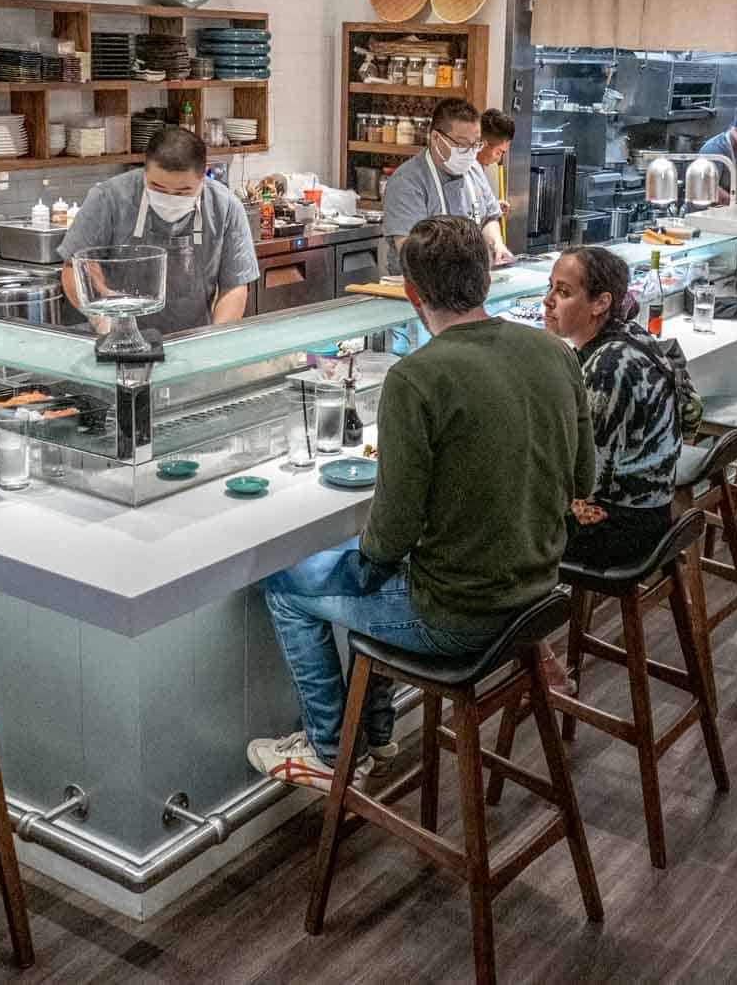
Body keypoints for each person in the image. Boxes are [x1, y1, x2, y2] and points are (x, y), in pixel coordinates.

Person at [247, 216, 593, 789]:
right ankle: (378, 734)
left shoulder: (417, 377)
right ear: (485, 277)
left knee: (287, 585)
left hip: (458, 618)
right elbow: (583, 476)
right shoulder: (554, 352)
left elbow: (393, 532)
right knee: (369, 570)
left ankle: (333, 752)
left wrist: (366, 562)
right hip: (537, 594)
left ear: (411, 293)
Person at [542, 247, 683, 566]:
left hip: (623, 527)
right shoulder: (630, 334)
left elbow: (585, 478)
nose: (548, 300)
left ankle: (525, 614)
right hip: (651, 506)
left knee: (499, 524)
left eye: (563, 291)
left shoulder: (607, 369)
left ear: (601, 302)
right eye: (549, 287)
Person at [59, 126, 258, 333]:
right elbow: (73, 268)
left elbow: (234, 286)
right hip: (115, 340)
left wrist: (216, 338)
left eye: (183, 192)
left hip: (192, 342)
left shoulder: (225, 207)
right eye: (158, 188)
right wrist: (102, 318)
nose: (170, 197)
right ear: (145, 170)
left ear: (203, 176)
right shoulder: (108, 198)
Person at [380, 97, 514, 267]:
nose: (470, 152)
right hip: (422, 287)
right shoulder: (407, 182)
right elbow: (410, 252)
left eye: (476, 145)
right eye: (463, 144)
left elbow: (488, 218)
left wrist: (497, 245)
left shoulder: (474, 169)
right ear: (436, 138)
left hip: (470, 278)